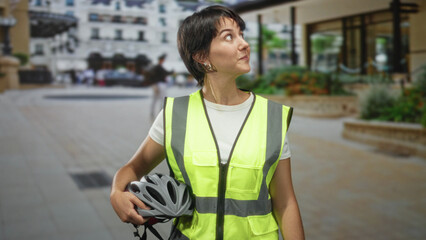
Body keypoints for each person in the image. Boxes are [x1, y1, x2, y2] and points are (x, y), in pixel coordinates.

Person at [110, 5, 305, 240]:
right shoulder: (175, 114)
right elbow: (132, 168)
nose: (244, 44)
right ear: (201, 56)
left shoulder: (271, 117)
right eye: (229, 37)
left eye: (241, 34)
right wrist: (116, 193)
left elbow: (285, 203)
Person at [149, 54, 174, 121]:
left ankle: (155, 114)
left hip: (158, 85)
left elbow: (166, 73)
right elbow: (152, 76)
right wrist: (154, 85)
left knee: (156, 99)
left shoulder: (159, 67)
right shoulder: (157, 67)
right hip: (159, 85)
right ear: (161, 60)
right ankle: (160, 114)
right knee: (161, 99)